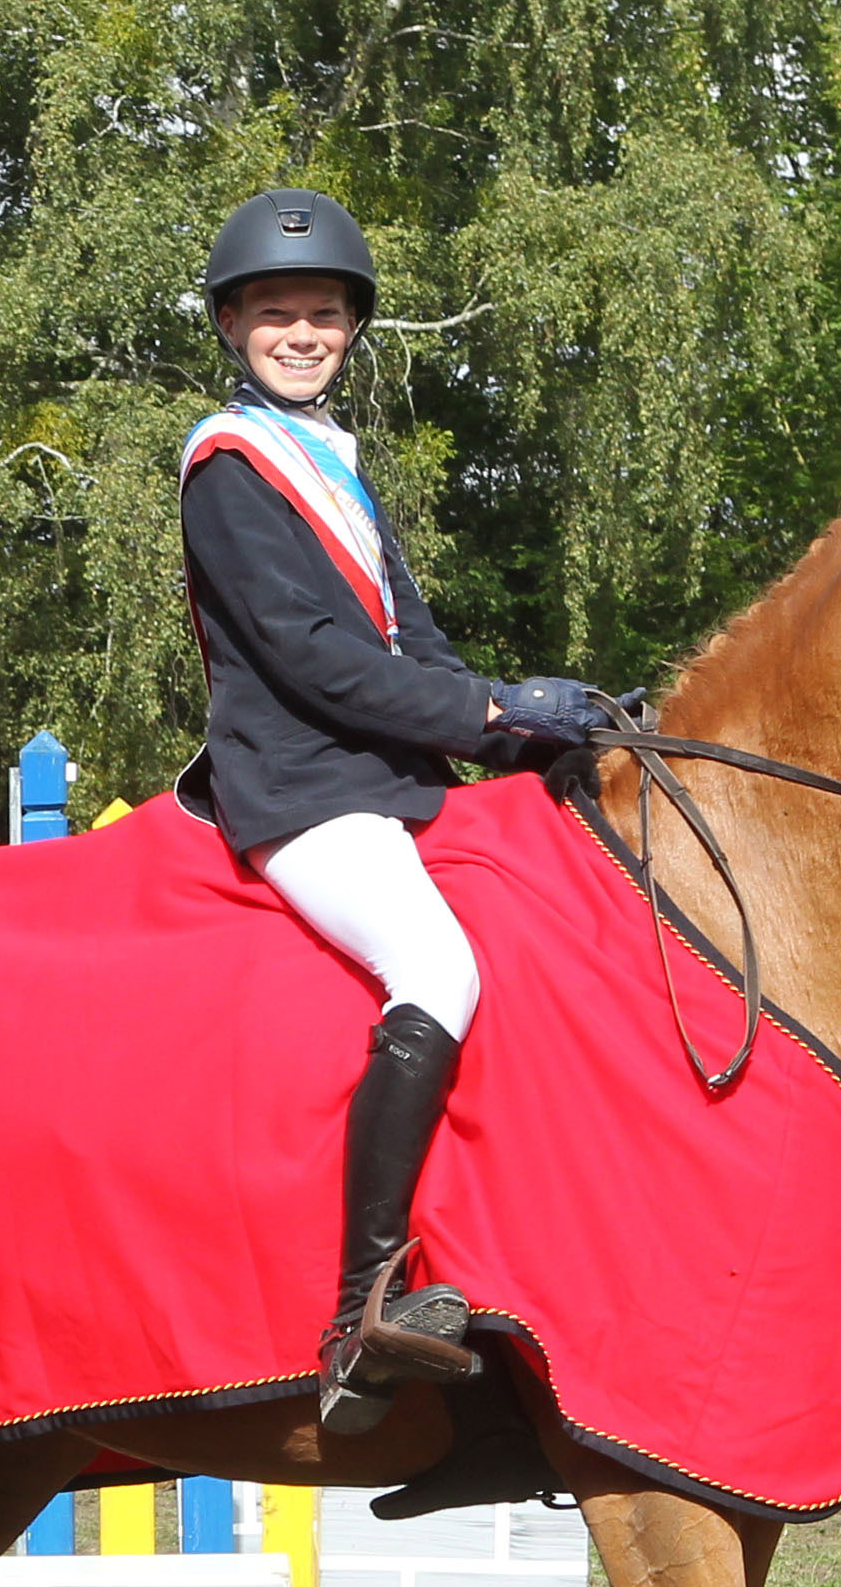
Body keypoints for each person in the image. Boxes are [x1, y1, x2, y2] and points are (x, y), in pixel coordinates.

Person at [176, 189, 613, 1436]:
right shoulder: (232, 471)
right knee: (434, 963)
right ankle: (362, 1307)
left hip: (380, 778)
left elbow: (401, 635)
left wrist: (531, 721)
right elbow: (310, 659)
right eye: (276, 315)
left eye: (322, 314)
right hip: (302, 787)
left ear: (353, 329)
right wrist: (479, 713)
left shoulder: (334, 466)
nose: (300, 333)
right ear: (233, 326)